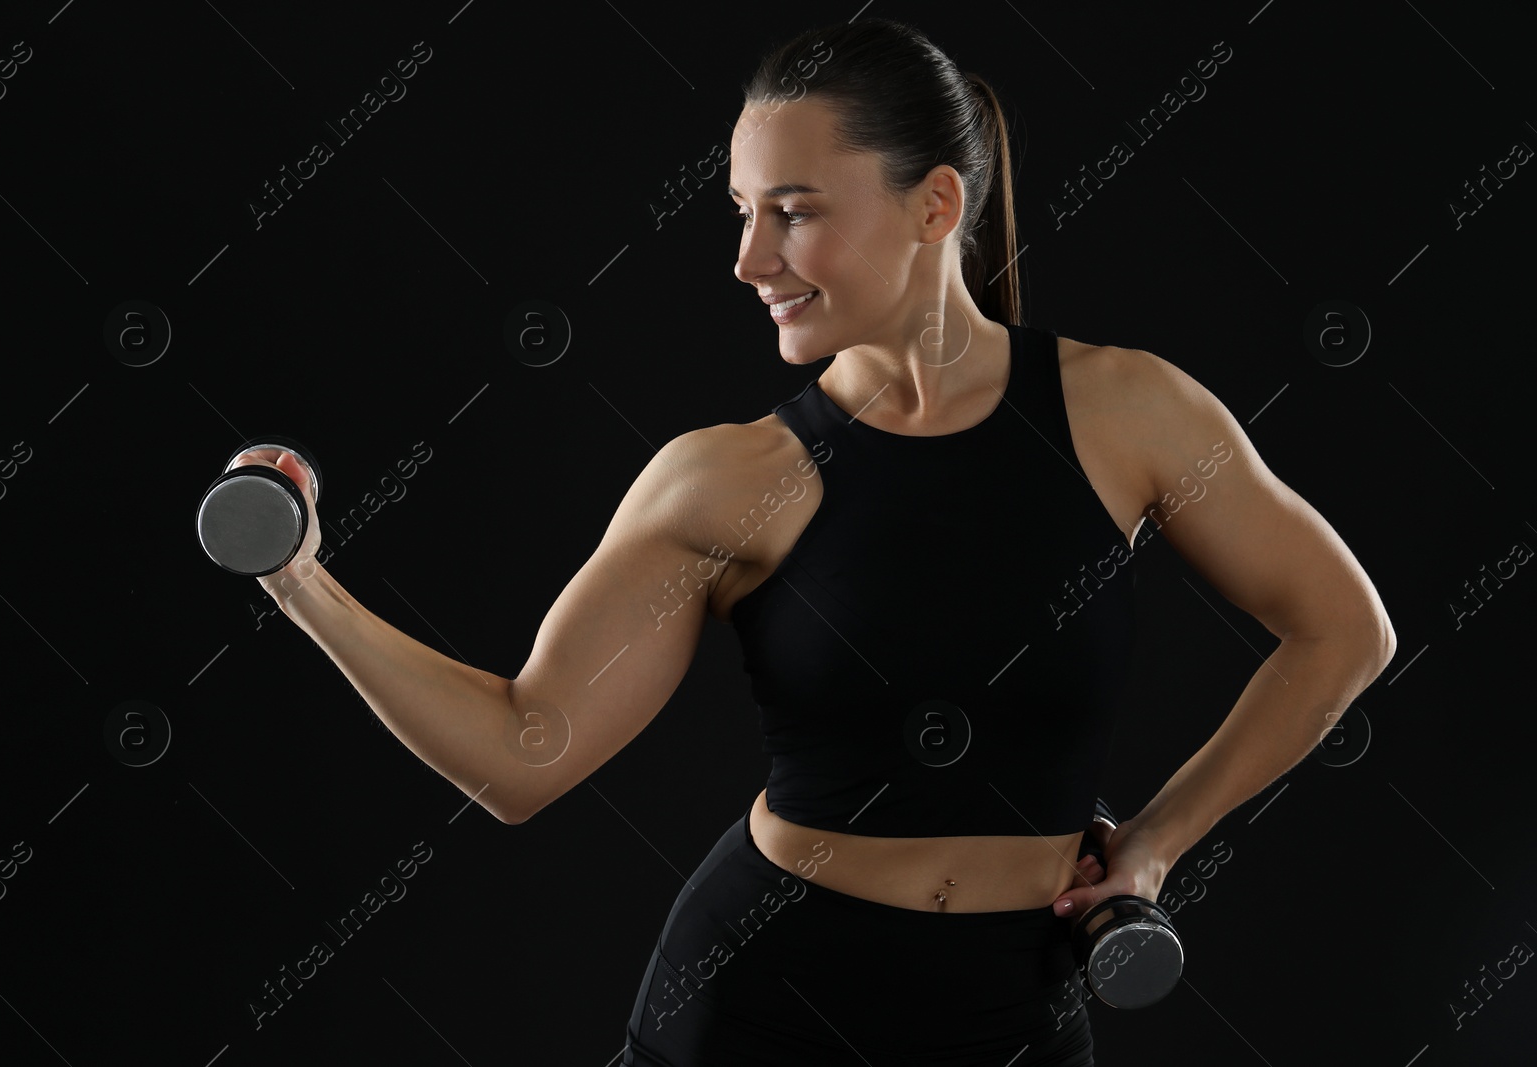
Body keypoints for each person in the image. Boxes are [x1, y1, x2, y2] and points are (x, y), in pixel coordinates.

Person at [234, 17, 1396, 1066]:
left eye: (791, 211)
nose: (749, 260)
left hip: (1018, 1016)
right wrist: (298, 582)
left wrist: (1155, 841)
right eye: (741, 214)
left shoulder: (1132, 416)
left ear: (936, 205)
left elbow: (1341, 629)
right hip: (760, 1010)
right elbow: (521, 752)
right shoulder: (731, 478)